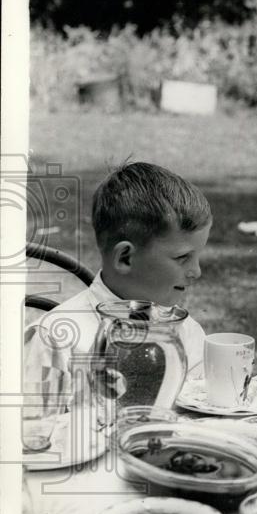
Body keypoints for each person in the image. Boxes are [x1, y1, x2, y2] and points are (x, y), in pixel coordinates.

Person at [24, 162, 212, 412]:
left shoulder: (187, 332)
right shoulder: (55, 339)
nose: (196, 272)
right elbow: (34, 435)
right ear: (125, 258)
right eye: (182, 258)